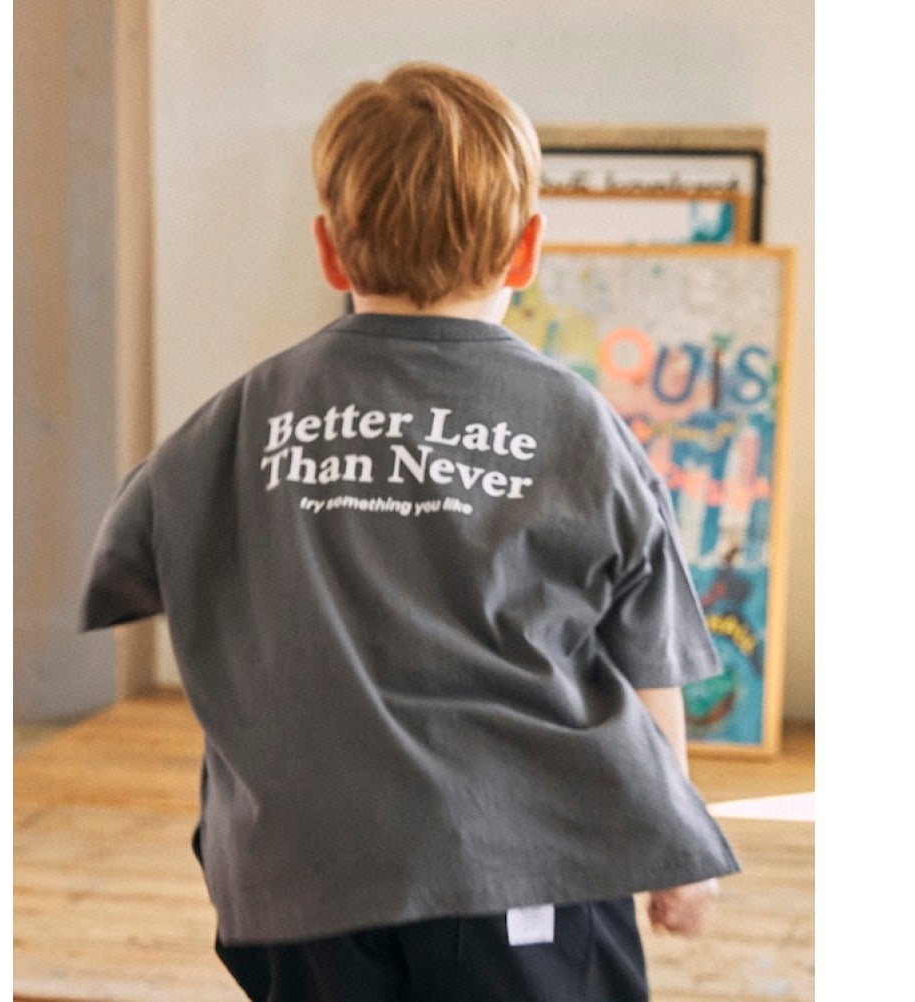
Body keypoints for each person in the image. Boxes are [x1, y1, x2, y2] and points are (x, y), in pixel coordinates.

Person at [80, 62, 739, 1001]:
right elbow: (648, 660)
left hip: (299, 878)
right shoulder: (579, 427)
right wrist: (677, 845)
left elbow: (122, 565)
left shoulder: (238, 419)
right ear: (527, 250)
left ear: (329, 251)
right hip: (523, 865)